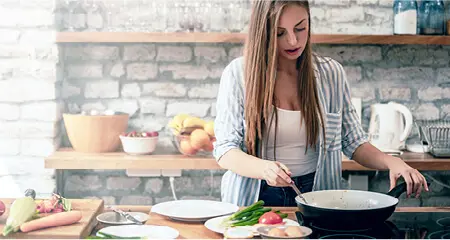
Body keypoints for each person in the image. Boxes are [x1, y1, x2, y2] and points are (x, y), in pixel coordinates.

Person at [213, 0, 429, 207]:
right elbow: (225, 151)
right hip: (254, 195)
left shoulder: (331, 73)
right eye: (280, 33)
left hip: (318, 193)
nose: (293, 41)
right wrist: (264, 169)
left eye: (300, 28)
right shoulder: (238, 74)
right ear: (264, 32)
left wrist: (392, 162)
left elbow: (353, 141)